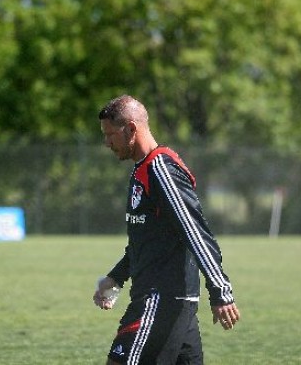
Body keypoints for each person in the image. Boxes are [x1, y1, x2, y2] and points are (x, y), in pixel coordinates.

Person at [93, 95, 240, 365]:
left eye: (110, 134)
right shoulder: (142, 171)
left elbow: (195, 232)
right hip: (168, 301)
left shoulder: (160, 168)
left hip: (159, 300)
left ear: (131, 129)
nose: (107, 142)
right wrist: (116, 277)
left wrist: (220, 290)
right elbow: (147, 240)